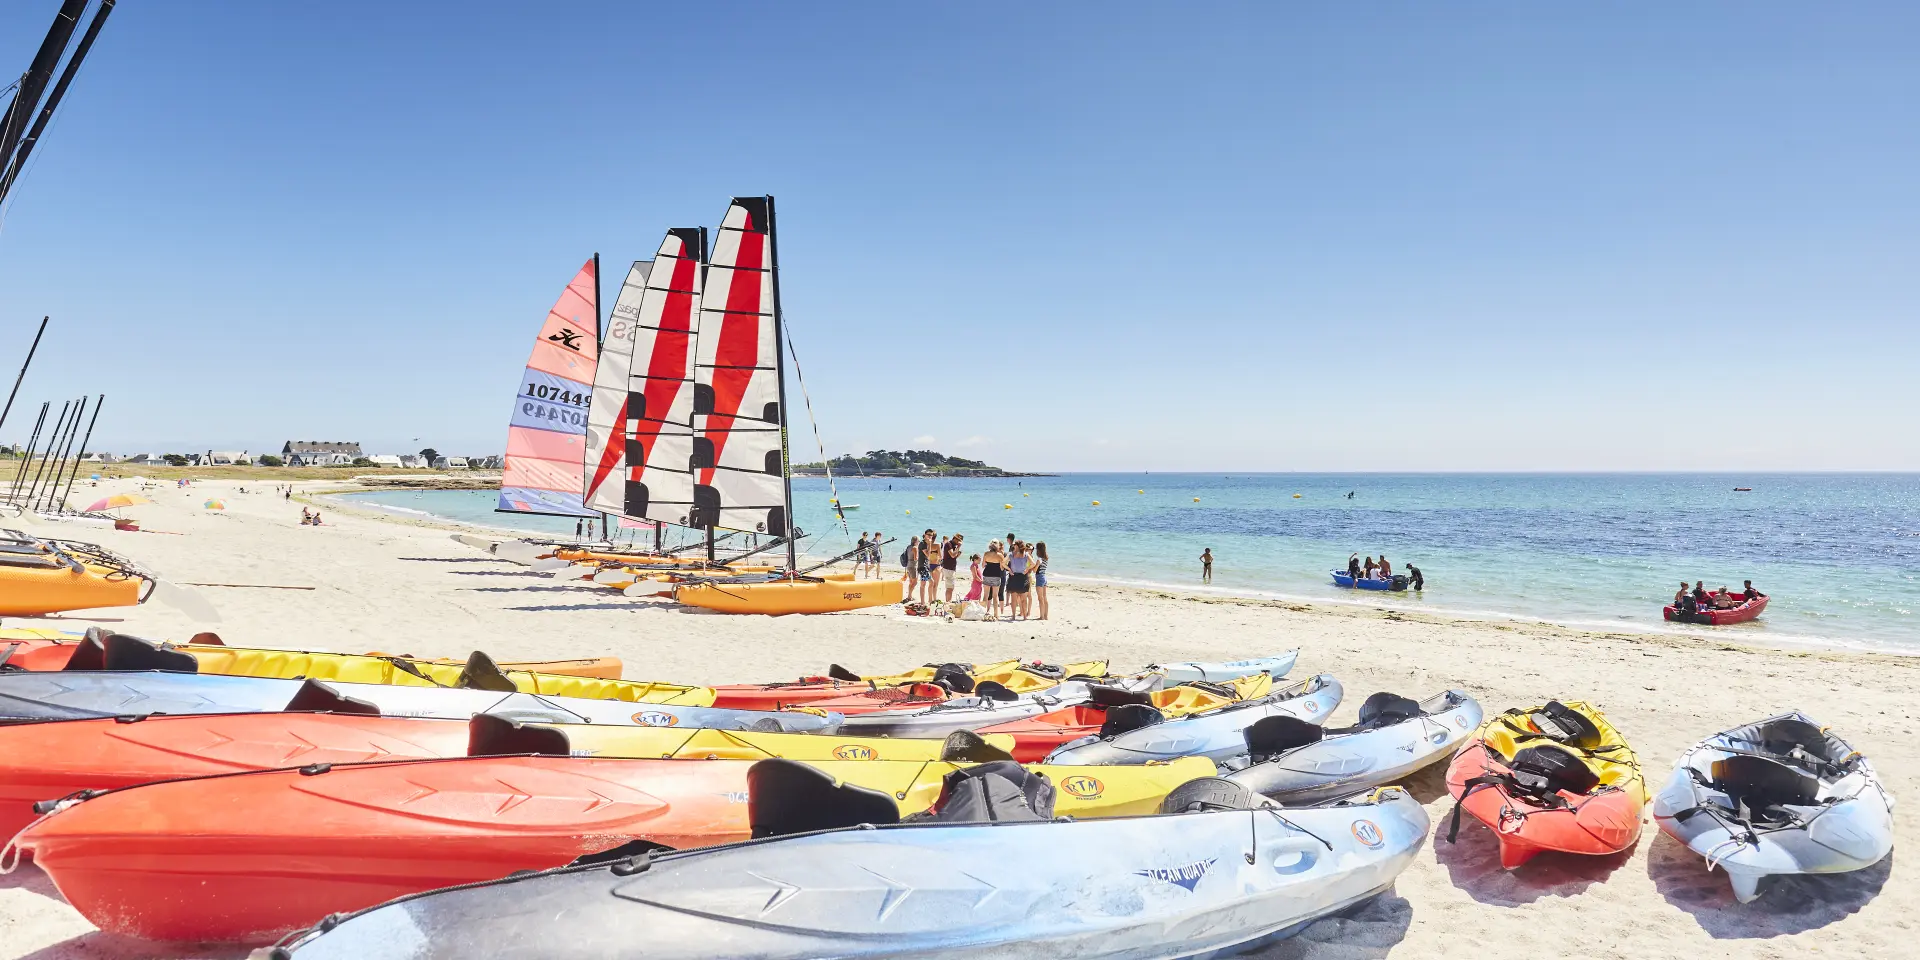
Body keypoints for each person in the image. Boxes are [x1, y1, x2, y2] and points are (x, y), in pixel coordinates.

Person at [1006, 542, 1033, 619]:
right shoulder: (1026, 554)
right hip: (1023, 577)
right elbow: (1033, 563)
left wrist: (1009, 570)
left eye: (1015, 545)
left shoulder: (1011, 554)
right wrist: (1027, 569)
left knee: (1014, 599)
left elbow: (1003, 563)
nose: (1014, 546)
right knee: (1024, 599)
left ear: (1017, 546)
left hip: (1014, 577)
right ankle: (1024, 617)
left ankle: (1014, 616)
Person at [981, 541, 1007, 620]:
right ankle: (996, 614)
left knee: (985, 595)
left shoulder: (986, 554)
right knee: (995, 596)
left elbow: (983, 565)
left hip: (987, 575)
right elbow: (1002, 567)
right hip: (996, 576)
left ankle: (983, 613)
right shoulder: (1000, 555)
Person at [919, 530, 940, 604]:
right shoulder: (922, 543)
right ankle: (925, 601)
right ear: (925, 535)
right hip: (922, 566)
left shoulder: (926, 543)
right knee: (929, 583)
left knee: (924, 584)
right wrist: (930, 544)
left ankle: (925, 601)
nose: (930, 537)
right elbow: (928, 554)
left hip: (925, 565)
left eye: (931, 535)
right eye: (928, 535)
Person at [941, 533, 963, 602]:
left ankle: (948, 602)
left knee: (950, 588)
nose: (958, 542)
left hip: (950, 568)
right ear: (954, 538)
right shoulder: (949, 544)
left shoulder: (953, 545)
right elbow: (952, 555)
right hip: (948, 568)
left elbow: (953, 557)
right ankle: (948, 602)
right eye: (958, 540)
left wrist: (958, 554)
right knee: (950, 588)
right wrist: (958, 547)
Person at [1033, 541, 1050, 620]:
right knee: (1045, 597)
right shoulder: (1046, 558)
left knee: (1040, 598)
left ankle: (1041, 616)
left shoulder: (1039, 559)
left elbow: (1035, 570)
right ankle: (1046, 616)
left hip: (1039, 578)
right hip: (1044, 577)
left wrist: (1032, 567)